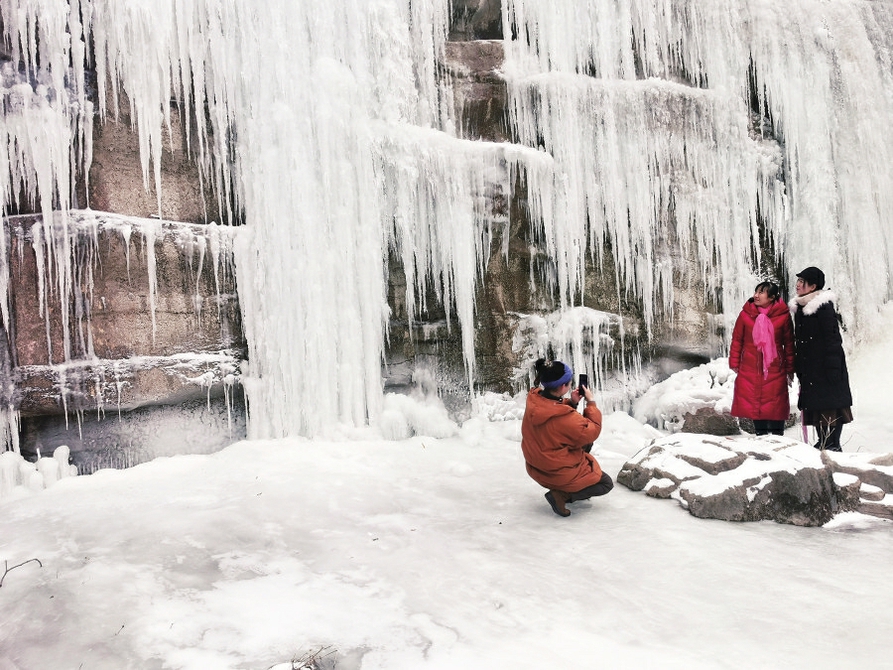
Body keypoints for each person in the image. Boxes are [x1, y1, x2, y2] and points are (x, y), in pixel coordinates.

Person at [520, 358, 613, 517]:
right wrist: (591, 402)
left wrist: (572, 402)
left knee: (585, 443)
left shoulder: (534, 399)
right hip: (555, 472)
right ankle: (563, 495)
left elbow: (553, 413)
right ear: (563, 386)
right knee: (606, 483)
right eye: (569, 382)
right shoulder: (568, 419)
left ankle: (576, 481)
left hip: (536, 467)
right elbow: (593, 430)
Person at [790, 266, 853, 451]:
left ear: (813, 286)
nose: (798, 285)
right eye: (798, 281)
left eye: (802, 282)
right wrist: (800, 366)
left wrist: (833, 367)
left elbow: (832, 338)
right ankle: (823, 442)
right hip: (812, 367)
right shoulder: (800, 307)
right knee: (817, 405)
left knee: (831, 405)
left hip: (826, 366)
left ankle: (832, 444)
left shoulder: (823, 306)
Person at [729, 281, 795, 436]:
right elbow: (737, 339)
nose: (756, 295)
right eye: (756, 291)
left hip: (775, 366)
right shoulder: (746, 314)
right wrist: (734, 361)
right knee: (755, 401)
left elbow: (789, 343)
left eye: (761, 292)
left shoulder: (783, 316)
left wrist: (790, 367)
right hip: (750, 365)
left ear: (772, 297)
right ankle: (761, 435)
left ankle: (778, 436)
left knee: (776, 402)